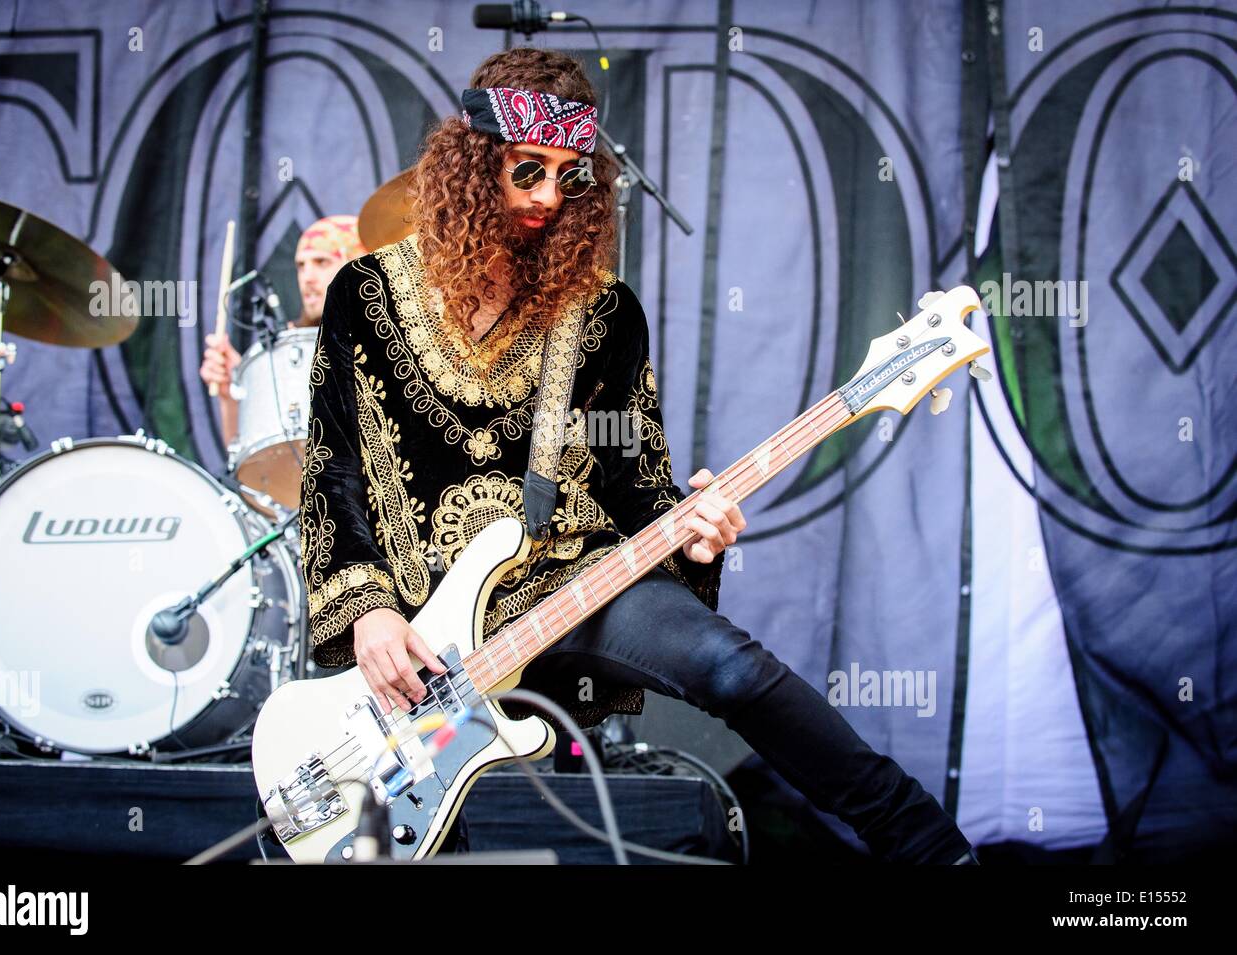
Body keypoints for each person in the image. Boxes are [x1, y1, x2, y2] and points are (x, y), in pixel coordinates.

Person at [300, 47, 979, 864]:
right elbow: (334, 470)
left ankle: (930, 845)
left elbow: (636, 482)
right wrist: (370, 610)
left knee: (730, 665)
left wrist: (691, 523)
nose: (551, 197)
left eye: (572, 176)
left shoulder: (604, 313)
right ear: (475, 166)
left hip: (574, 580)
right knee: (420, 830)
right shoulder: (363, 295)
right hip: (423, 626)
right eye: (529, 172)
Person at [198, 215, 367, 447]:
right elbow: (248, 453)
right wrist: (235, 388)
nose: (307, 278)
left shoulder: (389, 336)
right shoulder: (289, 348)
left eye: (321, 262)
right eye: (301, 266)